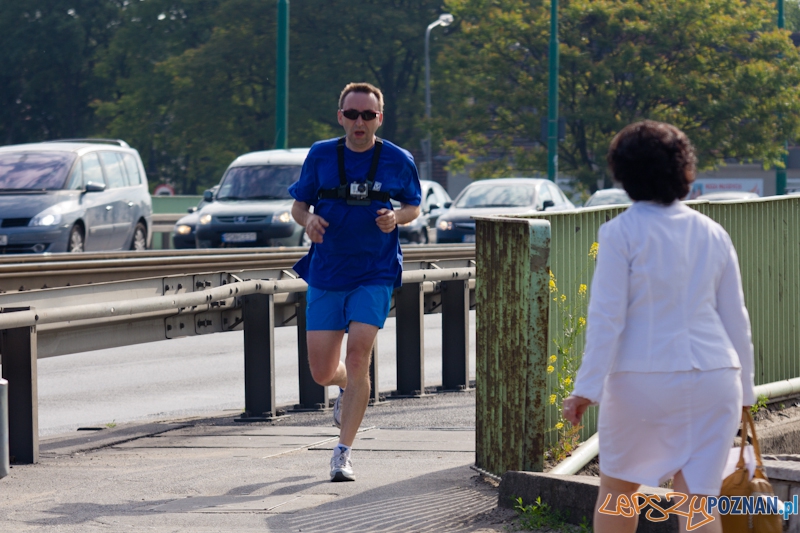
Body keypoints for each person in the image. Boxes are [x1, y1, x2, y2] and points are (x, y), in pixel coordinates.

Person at [562, 120, 756, 533]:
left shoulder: (620, 233)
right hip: (716, 378)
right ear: (684, 168)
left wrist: (587, 388)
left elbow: (607, 318)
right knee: (699, 501)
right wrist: (748, 391)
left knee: (617, 495)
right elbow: (735, 316)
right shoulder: (713, 233)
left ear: (623, 173)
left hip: (642, 380)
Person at [289, 82, 421, 482]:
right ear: (340, 116)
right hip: (328, 271)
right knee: (322, 372)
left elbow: (413, 206)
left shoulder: (398, 159)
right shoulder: (321, 155)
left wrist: (395, 219)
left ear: (379, 118)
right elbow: (298, 204)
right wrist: (307, 220)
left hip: (375, 271)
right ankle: (344, 387)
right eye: (352, 114)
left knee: (360, 354)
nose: (359, 122)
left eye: (367, 115)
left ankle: (342, 452)